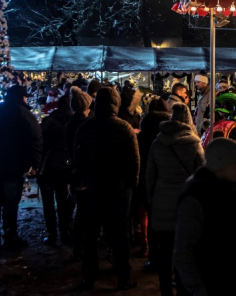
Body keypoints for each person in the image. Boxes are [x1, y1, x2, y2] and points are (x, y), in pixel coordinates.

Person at [74, 86, 140, 291]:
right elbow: (134, 159)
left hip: (94, 186)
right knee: (120, 234)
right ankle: (122, 276)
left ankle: (89, 276)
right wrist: (131, 182)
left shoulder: (85, 128)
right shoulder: (124, 128)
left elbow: (78, 158)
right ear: (116, 104)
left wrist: (83, 178)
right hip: (118, 188)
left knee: (91, 234)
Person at [173, 138, 236, 296]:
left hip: (231, 285)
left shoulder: (235, 193)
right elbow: (184, 252)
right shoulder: (195, 198)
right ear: (220, 163)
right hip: (209, 286)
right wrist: (198, 290)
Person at [147, 102, 205, 296]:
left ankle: (164, 288)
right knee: (184, 251)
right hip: (185, 204)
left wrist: (152, 200)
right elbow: (201, 174)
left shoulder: (158, 142)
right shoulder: (194, 143)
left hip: (162, 202)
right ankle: (182, 289)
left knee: (164, 251)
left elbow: (150, 176)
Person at [0, 85, 43, 250]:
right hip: (13, 166)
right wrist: (35, 163)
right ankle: (10, 235)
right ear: (21, 98)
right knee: (10, 202)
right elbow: (35, 138)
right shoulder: (24, 114)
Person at [136, 95, 170, 259]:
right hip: (165, 179)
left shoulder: (141, 135)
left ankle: (147, 246)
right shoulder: (169, 134)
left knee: (145, 213)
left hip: (144, 177)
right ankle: (164, 252)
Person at [39, 94, 74, 246]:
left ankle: (52, 234)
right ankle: (65, 231)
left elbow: (41, 142)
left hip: (48, 165)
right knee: (63, 199)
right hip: (65, 166)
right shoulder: (74, 122)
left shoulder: (49, 121)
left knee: (48, 202)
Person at [67, 86, 92, 261]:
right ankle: (82, 246)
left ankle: (77, 245)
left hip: (74, 171)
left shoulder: (69, 124)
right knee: (85, 211)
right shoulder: (85, 125)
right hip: (85, 173)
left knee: (81, 209)